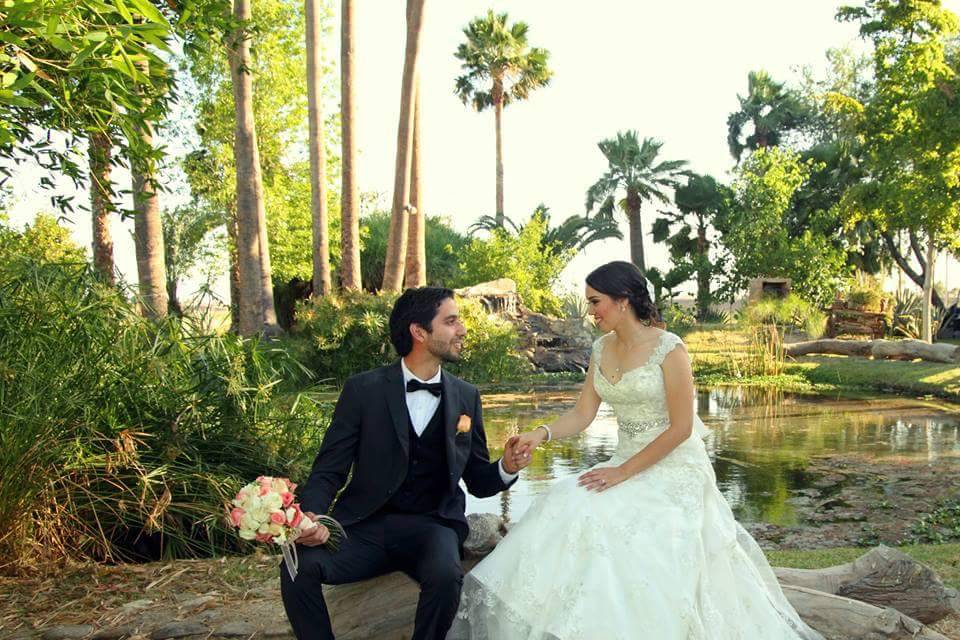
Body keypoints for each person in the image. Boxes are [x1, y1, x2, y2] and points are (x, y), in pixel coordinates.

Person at [448, 261, 823, 640]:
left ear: (623, 300)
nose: (591, 311)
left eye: (596, 302)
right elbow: (582, 414)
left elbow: (682, 428)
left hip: (673, 465)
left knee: (615, 522)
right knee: (564, 500)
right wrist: (539, 433)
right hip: (621, 461)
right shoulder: (600, 348)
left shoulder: (669, 348)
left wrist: (623, 472)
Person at [281, 287, 531, 640]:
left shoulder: (466, 396)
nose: (461, 330)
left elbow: (477, 480)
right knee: (297, 567)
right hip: (363, 527)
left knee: (446, 577)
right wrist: (310, 518)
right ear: (419, 332)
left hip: (433, 527)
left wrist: (507, 466)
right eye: (451, 321)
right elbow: (329, 470)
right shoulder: (363, 390)